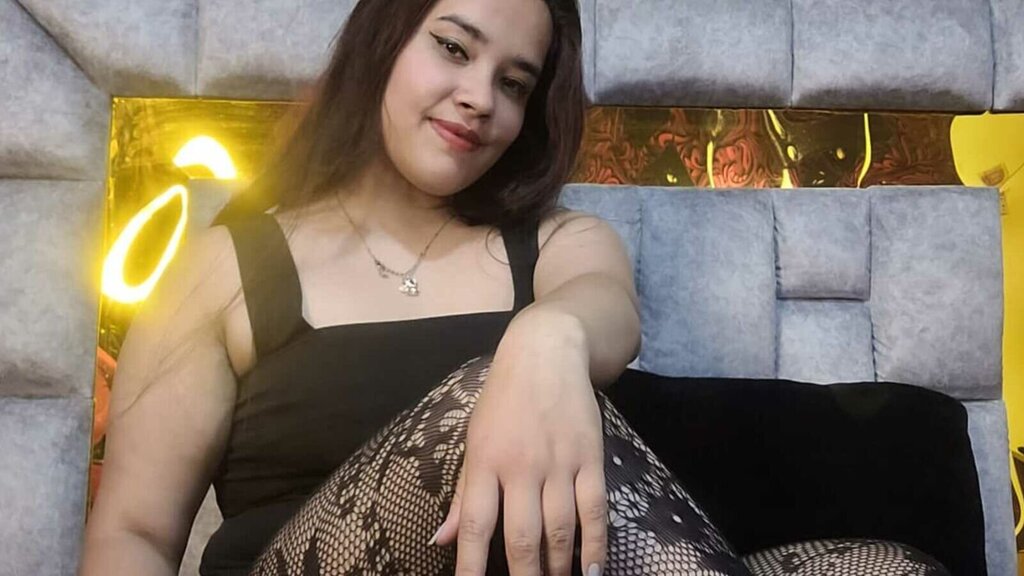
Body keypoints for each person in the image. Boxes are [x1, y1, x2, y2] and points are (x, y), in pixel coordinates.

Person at [77, 0, 952, 574]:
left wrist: (545, 336)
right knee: (476, 400)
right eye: (453, 48)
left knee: (888, 567)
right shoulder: (222, 268)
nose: (478, 98)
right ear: (384, 41)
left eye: (513, 83)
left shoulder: (562, 244)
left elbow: (606, 312)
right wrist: (512, 368)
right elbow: (135, 535)